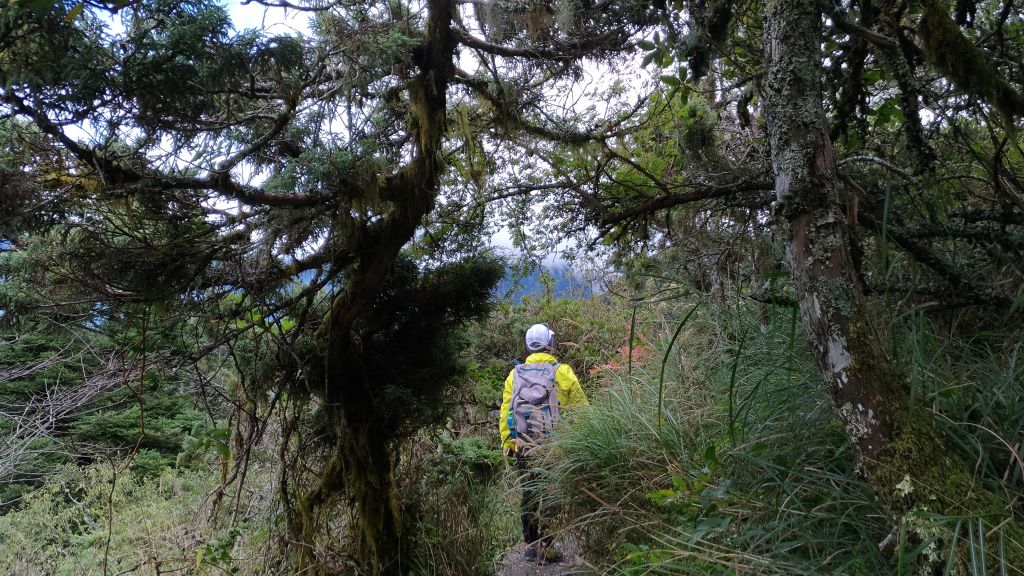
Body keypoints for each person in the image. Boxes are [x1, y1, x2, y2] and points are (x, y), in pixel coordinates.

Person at [499, 323, 587, 563]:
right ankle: (547, 546)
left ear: (528, 345)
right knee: (551, 492)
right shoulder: (563, 371)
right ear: (551, 344)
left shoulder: (514, 374)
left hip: (523, 444)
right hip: (554, 445)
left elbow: (506, 410)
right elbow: (582, 410)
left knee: (528, 492)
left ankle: (530, 544)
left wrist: (508, 441)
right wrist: (578, 441)